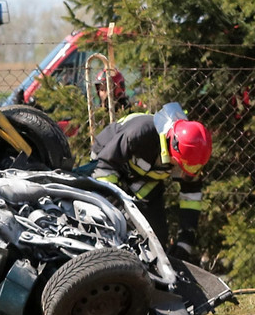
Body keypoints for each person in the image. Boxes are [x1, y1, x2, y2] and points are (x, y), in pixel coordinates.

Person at [91, 103, 212, 263]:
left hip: (143, 178)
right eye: (183, 165)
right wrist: (115, 208)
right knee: (112, 228)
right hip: (108, 163)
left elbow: (191, 195)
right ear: (172, 148)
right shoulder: (140, 133)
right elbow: (105, 166)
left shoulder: (189, 155)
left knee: (156, 237)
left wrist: (185, 241)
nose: (186, 171)